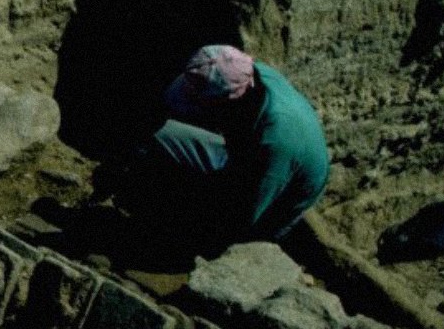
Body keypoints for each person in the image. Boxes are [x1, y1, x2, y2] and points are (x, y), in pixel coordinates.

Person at [113, 44, 330, 255]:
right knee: (154, 138)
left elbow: (244, 216)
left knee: (204, 235)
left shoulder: (278, 142)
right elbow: (163, 110)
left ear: (228, 103)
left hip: (270, 203)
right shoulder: (246, 73)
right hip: (239, 159)